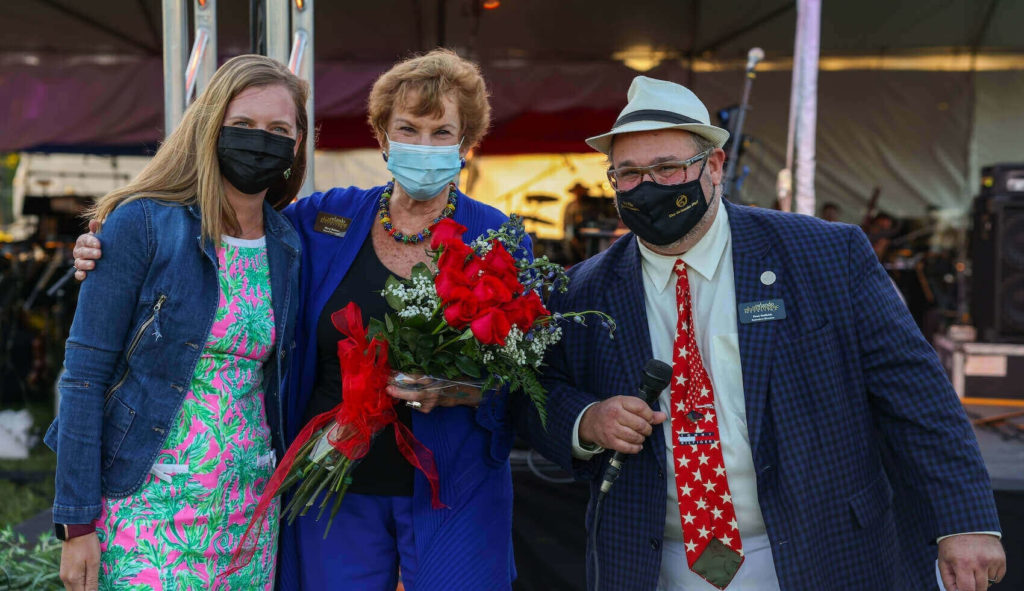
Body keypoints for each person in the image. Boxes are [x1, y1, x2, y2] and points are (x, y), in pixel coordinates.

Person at [525, 76, 1005, 591]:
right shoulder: (581, 290)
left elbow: (915, 392)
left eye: (667, 168)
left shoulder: (824, 254)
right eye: (629, 174)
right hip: (656, 562)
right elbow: (534, 397)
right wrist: (586, 419)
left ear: (713, 166)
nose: (648, 187)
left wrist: (965, 520)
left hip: (823, 551)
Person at [73, 48, 524, 591]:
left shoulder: (501, 240)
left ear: (466, 142)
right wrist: (105, 247)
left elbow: (531, 371)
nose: (423, 145)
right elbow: (231, 231)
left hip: (452, 487)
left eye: (441, 131)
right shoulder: (322, 220)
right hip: (332, 485)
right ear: (381, 136)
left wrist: (467, 390)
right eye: (408, 127)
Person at [47, 54, 306, 590]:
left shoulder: (289, 245)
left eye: (279, 129)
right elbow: (83, 376)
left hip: (247, 518)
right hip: (143, 510)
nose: (261, 140)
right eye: (244, 126)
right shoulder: (143, 223)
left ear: (297, 145)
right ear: (210, 127)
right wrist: (76, 524)